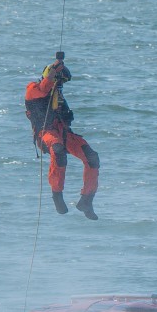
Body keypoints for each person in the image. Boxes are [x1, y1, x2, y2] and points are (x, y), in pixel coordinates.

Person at [24, 53, 100, 219]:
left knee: (92, 158)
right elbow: (44, 87)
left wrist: (59, 74)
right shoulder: (33, 89)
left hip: (64, 133)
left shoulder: (58, 94)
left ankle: (87, 200)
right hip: (46, 134)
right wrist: (54, 69)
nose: (58, 85)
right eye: (56, 81)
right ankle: (57, 195)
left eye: (60, 83)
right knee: (58, 152)